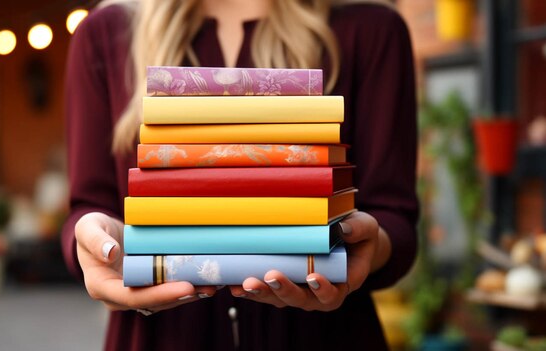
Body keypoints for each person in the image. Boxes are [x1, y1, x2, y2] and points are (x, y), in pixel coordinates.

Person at [62, 0, 418, 349]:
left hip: (325, 333)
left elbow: (393, 216)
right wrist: (98, 245)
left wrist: (364, 245)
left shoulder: (370, 29)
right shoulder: (104, 34)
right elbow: (88, 206)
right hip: (162, 337)